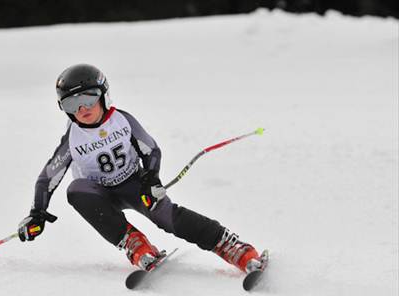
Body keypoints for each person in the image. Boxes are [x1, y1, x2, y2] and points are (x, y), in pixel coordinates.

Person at [18, 64, 266, 273]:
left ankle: (231, 246)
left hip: (135, 185)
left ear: (103, 95)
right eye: (72, 104)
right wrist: (37, 212)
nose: (82, 109)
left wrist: (151, 178)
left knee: (168, 218)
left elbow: (151, 150)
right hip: (100, 195)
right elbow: (48, 177)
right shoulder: (72, 139)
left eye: (88, 98)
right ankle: (134, 244)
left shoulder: (122, 120)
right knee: (75, 190)